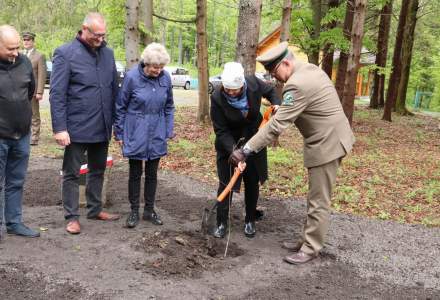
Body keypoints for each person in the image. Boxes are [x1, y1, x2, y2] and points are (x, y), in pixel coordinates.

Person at [229, 42, 355, 264]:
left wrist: (246, 149)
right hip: (334, 136)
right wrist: (284, 110)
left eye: (274, 71)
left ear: (286, 63)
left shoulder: (296, 85)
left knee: (318, 200)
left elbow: (277, 127)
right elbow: (308, 106)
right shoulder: (311, 69)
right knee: (314, 196)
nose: (274, 78)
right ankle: (306, 239)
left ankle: (310, 248)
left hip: (328, 144)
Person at [49, 13, 120, 235]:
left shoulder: (108, 54)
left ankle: (94, 208)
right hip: (76, 127)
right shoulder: (65, 53)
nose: (100, 39)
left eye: (103, 35)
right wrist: (59, 128)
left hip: (102, 125)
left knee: (97, 169)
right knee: (71, 173)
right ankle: (71, 217)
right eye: (97, 35)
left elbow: (114, 90)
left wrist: (117, 123)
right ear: (84, 29)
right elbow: (57, 94)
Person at [210, 62, 281, 238]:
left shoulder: (254, 83)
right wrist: (233, 151)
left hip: (254, 138)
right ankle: (221, 223)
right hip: (229, 142)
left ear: (242, 84)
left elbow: (271, 91)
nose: (231, 92)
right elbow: (220, 130)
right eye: (228, 89)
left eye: (235, 89)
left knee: (252, 181)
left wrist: (277, 104)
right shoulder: (217, 97)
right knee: (226, 183)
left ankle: (250, 220)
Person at [114, 43, 174, 229]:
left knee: (152, 174)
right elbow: (121, 107)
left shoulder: (165, 79)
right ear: (146, 64)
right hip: (135, 130)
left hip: (157, 130)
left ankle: (149, 210)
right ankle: (133, 211)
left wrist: (168, 129)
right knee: (134, 173)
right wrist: (120, 132)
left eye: (161, 67)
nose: (159, 70)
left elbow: (169, 106)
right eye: (155, 67)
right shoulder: (132, 77)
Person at [0, 25, 40, 238]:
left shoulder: (24, 62)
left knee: (16, 181)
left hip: (21, 135)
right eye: (10, 48)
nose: (16, 52)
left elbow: (30, 92)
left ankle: (14, 223)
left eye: (17, 47)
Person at [21, 31, 47, 146]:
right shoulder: (19, 54)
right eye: (24, 40)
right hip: (20, 90)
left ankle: (34, 137)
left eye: (28, 40)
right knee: (21, 112)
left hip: (33, 90)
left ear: (33, 42)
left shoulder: (39, 56)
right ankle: (23, 134)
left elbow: (42, 75)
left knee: (34, 114)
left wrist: (40, 91)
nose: (26, 42)